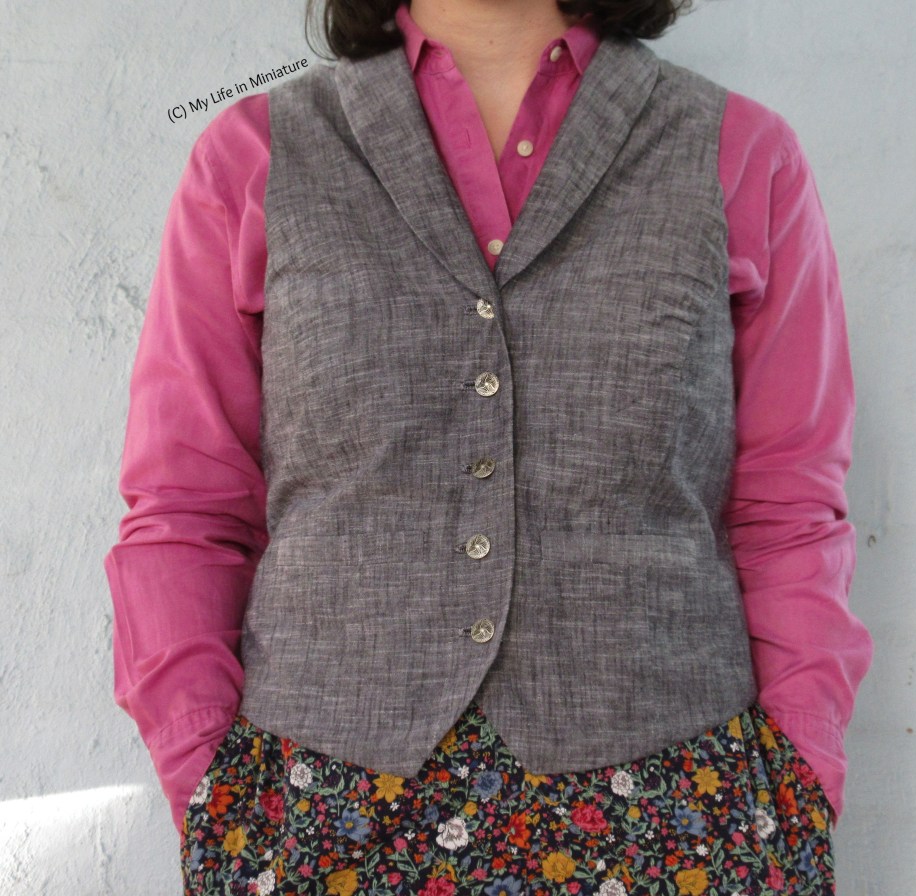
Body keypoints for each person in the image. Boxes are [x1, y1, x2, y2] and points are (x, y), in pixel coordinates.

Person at [103, 0, 873, 893]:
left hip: (683, 818)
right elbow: (185, 507)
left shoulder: (740, 154)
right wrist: (215, 793)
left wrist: (801, 776)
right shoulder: (257, 157)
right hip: (319, 820)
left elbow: (790, 509)